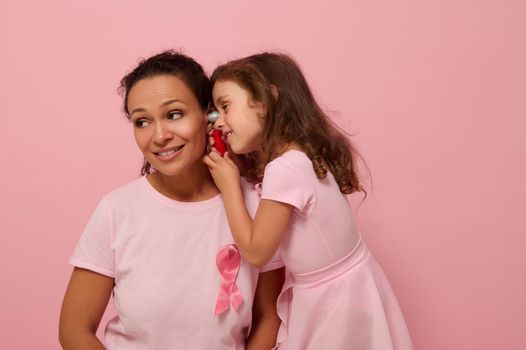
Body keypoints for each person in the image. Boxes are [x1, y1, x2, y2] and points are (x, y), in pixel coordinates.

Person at [59, 50, 284, 350]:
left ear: (210, 116)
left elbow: (269, 317)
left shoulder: (258, 204)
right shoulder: (117, 210)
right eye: (142, 122)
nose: (159, 135)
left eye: (174, 114)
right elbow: (74, 330)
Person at [203, 52, 413, 349]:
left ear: (267, 100)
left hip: (333, 302)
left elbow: (256, 251)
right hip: (344, 292)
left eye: (225, 107)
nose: (219, 122)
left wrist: (229, 187)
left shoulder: (284, 168)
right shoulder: (298, 155)